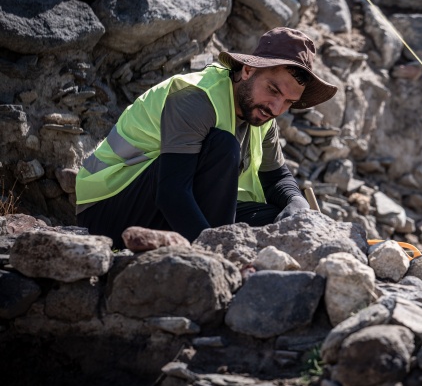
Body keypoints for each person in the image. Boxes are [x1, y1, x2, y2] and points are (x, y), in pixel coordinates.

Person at [76, 27, 337, 248]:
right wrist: (216, 252)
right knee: (223, 145)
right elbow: (171, 192)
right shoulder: (196, 98)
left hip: (172, 207)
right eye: (272, 90)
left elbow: (277, 178)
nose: (277, 108)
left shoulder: (262, 113)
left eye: (289, 102)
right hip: (108, 210)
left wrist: (297, 204)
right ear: (247, 70)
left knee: (279, 222)